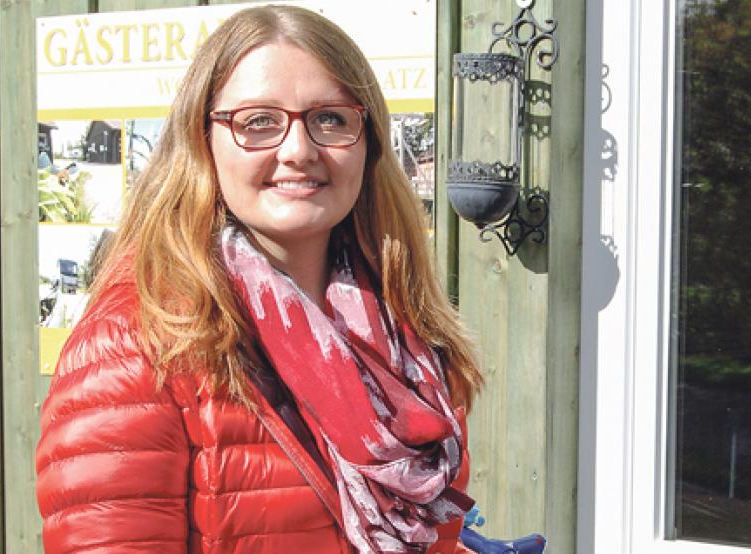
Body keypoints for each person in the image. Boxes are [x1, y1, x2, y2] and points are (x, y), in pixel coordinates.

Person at [34, 5, 483, 554]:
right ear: (203, 142)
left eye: (331, 119)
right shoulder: (136, 345)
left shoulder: (407, 338)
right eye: (258, 122)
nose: (298, 150)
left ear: (369, 146)